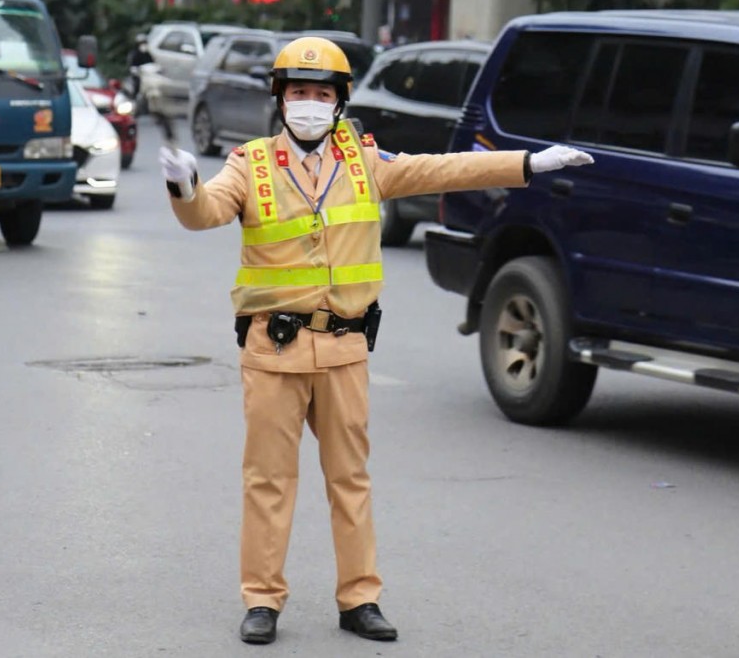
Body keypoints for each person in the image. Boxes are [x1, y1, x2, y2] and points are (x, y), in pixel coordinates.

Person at [158, 36, 593, 645]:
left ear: (340, 101)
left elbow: (441, 168)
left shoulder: (363, 161)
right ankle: (262, 600)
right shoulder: (249, 164)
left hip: (342, 350)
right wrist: (185, 188)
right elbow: (206, 213)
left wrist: (526, 164)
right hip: (274, 352)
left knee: (350, 480)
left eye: (321, 93)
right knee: (269, 481)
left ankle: (359, 599)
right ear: (281, 98)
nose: (309, 103)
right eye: (299, 92)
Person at [126, 34, 154, 99]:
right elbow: (132, 66)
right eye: (141, 43)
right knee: (137, 85)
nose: (143, 45)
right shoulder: (134, 54)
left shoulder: (147, 54)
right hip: (137, 76)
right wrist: (137, 70)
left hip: (147, 75)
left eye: (144, 43)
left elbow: (152, 63)